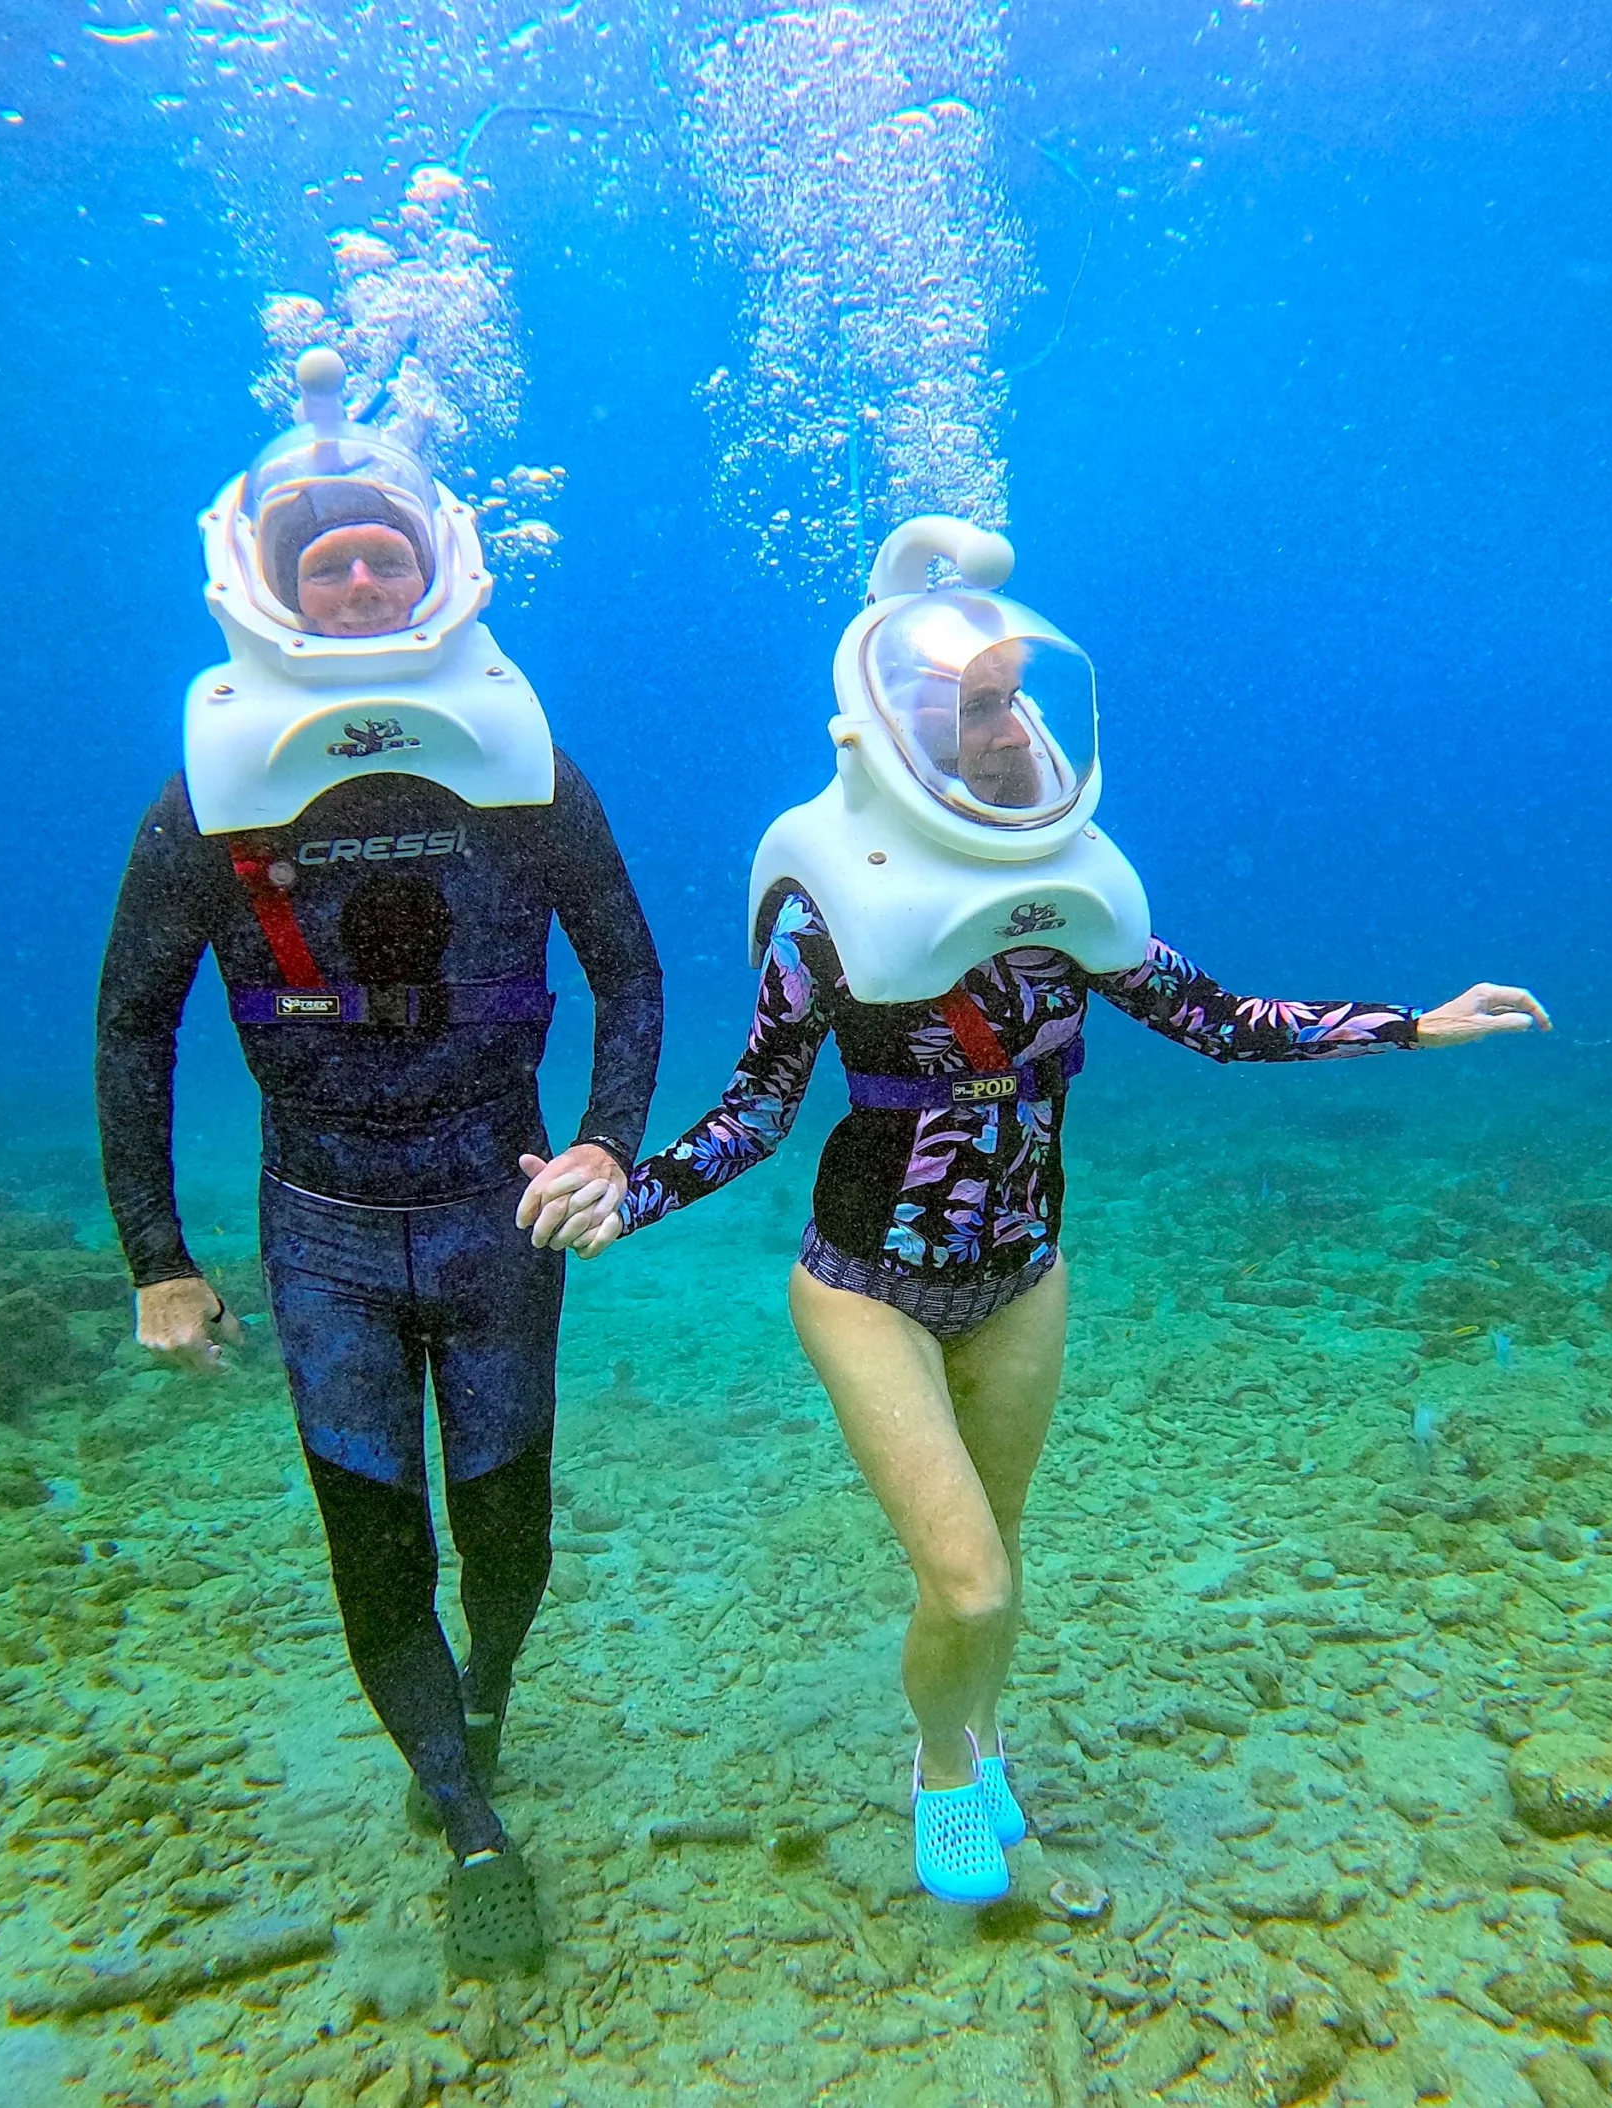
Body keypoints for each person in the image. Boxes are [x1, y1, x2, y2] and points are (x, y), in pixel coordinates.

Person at [523, 517, 1546, 1906]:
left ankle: (974, 1726)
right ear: (892, 734)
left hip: (1026, 1278)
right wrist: (623, 1196)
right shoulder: (829, 912)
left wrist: (1417, 1029)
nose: (1002, 733)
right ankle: (944, 1769)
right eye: (968, 708)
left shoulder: (1071, 898)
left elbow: (1222, 1020)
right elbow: (761, 1106)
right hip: (863, 1284)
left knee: (997, 1562)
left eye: (1014, 700)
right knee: (972, 1586)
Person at [97, 350, 662, 1975]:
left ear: (434, 572)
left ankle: (482, 1696)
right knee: (374, 1535)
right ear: (267, 583)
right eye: (322, 561)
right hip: (323, 1225)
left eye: (382, 557)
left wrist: (610, 1144)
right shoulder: (204, 798)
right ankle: (469, 1819)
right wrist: (161, 1256)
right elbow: (138, 1029)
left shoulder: (524, 764)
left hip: (500, 1209)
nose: (354, 580)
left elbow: (629, 971)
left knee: (507, 1530)